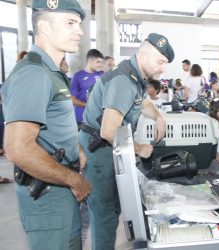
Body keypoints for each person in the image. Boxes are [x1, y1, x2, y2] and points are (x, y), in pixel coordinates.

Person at [1, 1, 91, 249]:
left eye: (79, 24)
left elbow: (52, 125)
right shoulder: (34, 73)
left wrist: (76, 149)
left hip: (60, 191)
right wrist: (73, 179)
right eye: (70, 23)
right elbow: (19, 149)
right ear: (44, 27)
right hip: (49, 197)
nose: (80, 31)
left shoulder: (51, 72)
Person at [79, 33, 172, 250]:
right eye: (160, 62)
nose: (163, 68)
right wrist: (139, 149)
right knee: (105, 216)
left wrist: (159, 116)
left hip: (113, 150)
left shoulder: (135, 76)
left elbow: (142, 104)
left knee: (114, 209)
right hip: (100, 153)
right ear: (144, 54)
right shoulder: (123, 80)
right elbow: (108, 130)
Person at [70, 49, 104, 125]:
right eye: (98, 62)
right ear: (90, 61)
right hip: (81, 119)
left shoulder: (102, 74)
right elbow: (72, 99)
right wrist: (88, 105)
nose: (100, 65)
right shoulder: (78, 76)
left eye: (101, 62)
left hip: (98, 119)